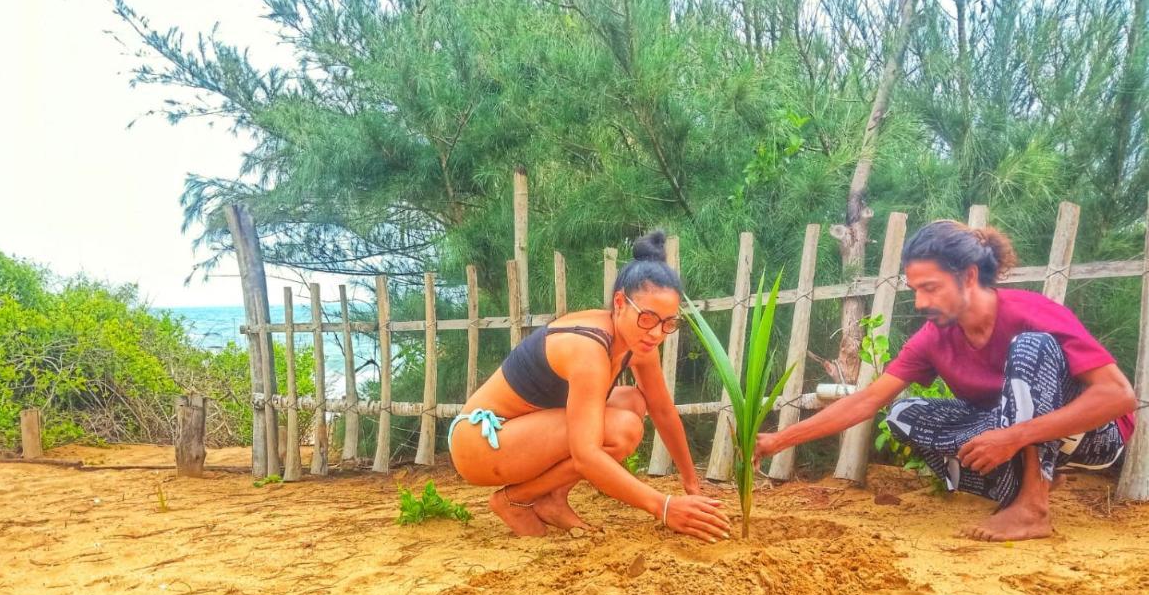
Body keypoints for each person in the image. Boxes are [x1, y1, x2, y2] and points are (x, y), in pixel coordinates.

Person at [755, 220, 1138, 542]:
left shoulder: (1030, 312)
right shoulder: (934, 338)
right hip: (1011, 434)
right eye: (915, 291)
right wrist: (777, 440)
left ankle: (1033, 508)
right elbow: (868, 400)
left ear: (969, 276)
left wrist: (1014, 436)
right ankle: (1017, 490)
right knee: (903, 413)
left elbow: (1118, 396)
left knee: (1029, 348)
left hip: (1091, 436)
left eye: (931, 288)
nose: (920, 303)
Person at [448, 231, 730, 542]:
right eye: (648, 318)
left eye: (668, 323)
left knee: (634, 402)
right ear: (620, 303)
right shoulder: (588, 349)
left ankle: (551, 499)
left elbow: (662, 410)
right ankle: (514, 499)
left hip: (525, 434)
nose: (657, 333)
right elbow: (586, 454)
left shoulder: (641, 344)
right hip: (481, 441)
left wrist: (692, 484)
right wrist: (664, 507)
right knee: (622, 428)